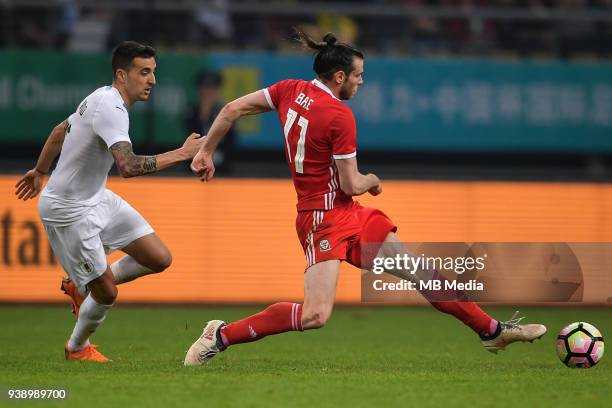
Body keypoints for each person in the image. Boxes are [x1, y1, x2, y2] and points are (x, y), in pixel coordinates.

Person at [185, 31, 546, 366]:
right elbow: (351, 182)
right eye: (358, 75)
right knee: (315, 315)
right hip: (322, 218)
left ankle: (493, 331)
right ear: (339, 77)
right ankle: (221, 334)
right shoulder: (339, 116)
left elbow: (231, 109)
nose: (362, 82)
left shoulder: (289, 89)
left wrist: (206, 153)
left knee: (421, 272)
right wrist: (373, 180)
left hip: (348, 214)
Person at [15, 41, 204, 363]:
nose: (152, 81)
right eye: (144, 72)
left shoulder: (100, 96)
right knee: (106, 292)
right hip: (68, 210)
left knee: (158, 257)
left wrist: (40, 170)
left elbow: (60, 130)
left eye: (153, 72)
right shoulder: (112, 109)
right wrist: (183, 154)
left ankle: (79, 285)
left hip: (96, 197)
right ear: (122, 74)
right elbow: (128, 167)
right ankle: (77, 348)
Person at [184, 69, 236, 175]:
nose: (208, 92)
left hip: (222, 168)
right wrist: (204, 114)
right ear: (200, 90)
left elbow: (231, 140)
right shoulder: (192, 112)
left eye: (212, 88)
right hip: (193, 167)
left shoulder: (225, 112)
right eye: (205, 88)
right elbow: (191, 135)